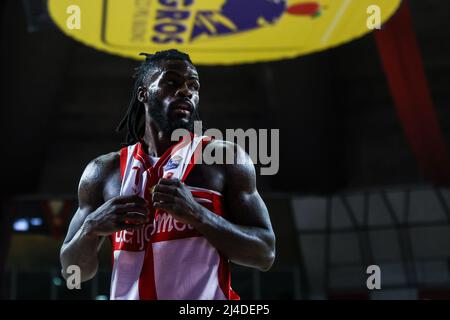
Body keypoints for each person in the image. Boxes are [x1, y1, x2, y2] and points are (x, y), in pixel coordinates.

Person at [60, 49, 275, 300]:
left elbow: (265, 254)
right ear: (144, 93)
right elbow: (73, 273)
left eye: (193, 85)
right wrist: (91, 228)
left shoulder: (224, 158)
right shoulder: (103, 171)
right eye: (172, 82)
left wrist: (198, 215)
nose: (186, 91)